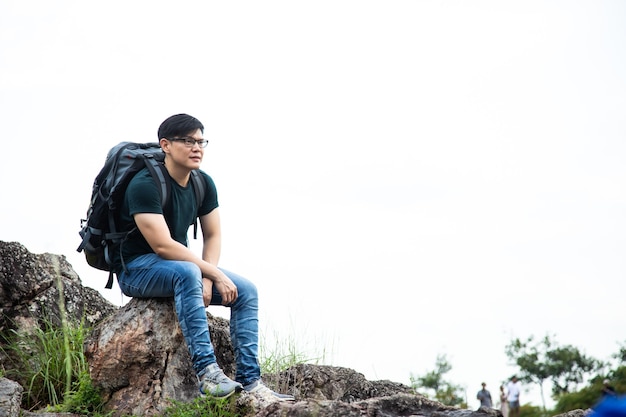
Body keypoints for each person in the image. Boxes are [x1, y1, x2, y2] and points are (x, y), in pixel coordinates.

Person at [111, 113, 294, 402]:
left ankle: (250, 382)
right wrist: (211, 273)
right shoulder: (144, 184)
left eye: (200, 141)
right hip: (136, 270)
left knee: (246, 291)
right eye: (187, 141)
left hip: (180, 268)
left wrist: (208, 274)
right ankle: (208, 373)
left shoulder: (202, 183)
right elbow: (162, 246)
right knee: (187, 272)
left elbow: (213, 235)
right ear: (166, 145)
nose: (197, 148)